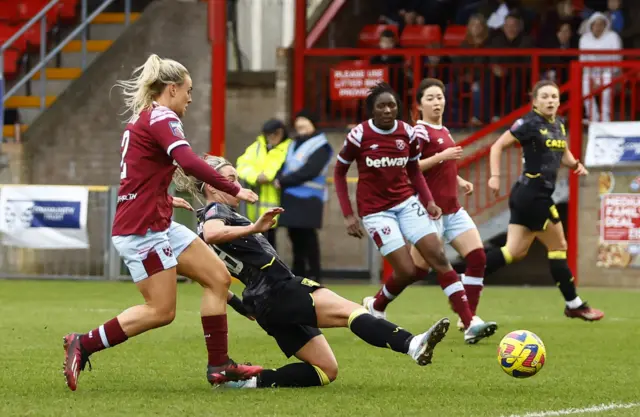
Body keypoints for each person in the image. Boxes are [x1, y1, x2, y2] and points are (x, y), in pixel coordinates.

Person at [61, 54, 262, 392]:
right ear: (171, 89)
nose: (190, 97)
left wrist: (163, 198)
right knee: (161, 310)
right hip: (143, 230)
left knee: (217, 278)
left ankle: (220, 367)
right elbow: (185, 159)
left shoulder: (145, 119)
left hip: (156, 220)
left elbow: (140, 173)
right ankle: (82, 343)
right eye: (188, 90)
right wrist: (233, 187)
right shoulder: (162, 116)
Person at [175, 155, 450, 389]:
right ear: (211, 185)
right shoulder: (215, 212)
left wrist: (241, 306)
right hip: (279, 288)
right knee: (350, 311)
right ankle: (412, 344)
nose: (235, 185)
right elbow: (213, 233)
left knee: (325, 370)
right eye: (229, 179)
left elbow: (212, 278)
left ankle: (247, 382)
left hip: (263, 304)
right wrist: (254, 228)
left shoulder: (205, 219)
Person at [333, 82, 495, 345]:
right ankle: (376, 304)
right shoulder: (359, 135)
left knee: (439, 257)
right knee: (407, 271)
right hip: (376, 212)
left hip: (407, 203)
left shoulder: (405, 132)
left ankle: (469, 322)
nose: (387, 110)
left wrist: (428, 201)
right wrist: (348, 215)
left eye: (392, 105)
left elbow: (413, 171)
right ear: (371, 110)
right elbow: (339, 172)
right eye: (381, 106)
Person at [485, 79, 605, 321]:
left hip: (532, 195)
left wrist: (576, 165)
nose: (550, 100)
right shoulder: (528, 123)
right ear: (535, 101)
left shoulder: (559, 124)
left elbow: (563, 152)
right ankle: (574, 304)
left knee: (513, 251)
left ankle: (465, 273)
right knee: (558, 246)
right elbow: (497, 146)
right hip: (533, 195)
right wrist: (495, 177)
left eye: (554, 97)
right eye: (545, 97)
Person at [277, 110, 332, 283]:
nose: (300, 124)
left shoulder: (322, 146)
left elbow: (310, 170)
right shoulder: (293, 143)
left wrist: (283, 181)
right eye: (298, 121)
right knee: (294, 238)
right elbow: (283, 164)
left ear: (313, 124)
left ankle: (314, 275)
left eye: (304, 121)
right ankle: (298, 275)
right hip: (291, 197)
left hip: (310, 198)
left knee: (308, 238)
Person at [236, 118, 292, 249]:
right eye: (268, 135)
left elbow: (271, 172)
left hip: (278, 203)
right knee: (258, 243)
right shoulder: (257, 146)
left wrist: (264, 175)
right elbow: (242, 166)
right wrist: (256, 176)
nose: (270, 138)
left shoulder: (289, 148)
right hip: (255, 208)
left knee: (271, 244)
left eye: (274, 134)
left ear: (281, 133)